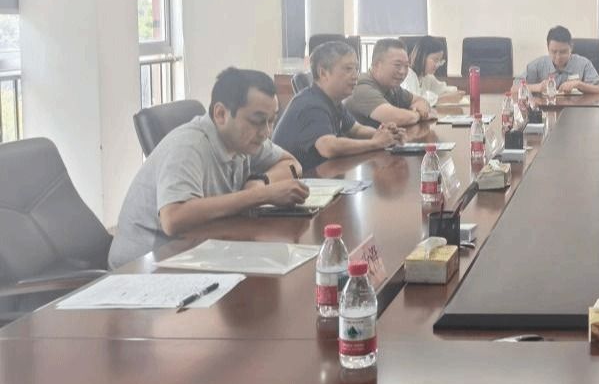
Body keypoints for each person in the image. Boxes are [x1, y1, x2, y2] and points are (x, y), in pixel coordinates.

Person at [109, 68, 309, 268]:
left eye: (272, 120)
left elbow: (292, 164)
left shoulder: (244, 141)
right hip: (144, 266)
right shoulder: (188, 146)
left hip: (196, 252)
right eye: (257, 121)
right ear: (221, 114)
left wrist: (260, 182)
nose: (266, 132)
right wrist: (260, 195)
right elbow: (173, 218)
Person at [273, 41, 405, 170]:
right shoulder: (311, 105)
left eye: (356, 69)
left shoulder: (332, 100)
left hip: (320, 175)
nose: (355, 76)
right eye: (348, 69)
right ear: (323, 73)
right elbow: (328, 147)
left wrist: (386, 134)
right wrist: (375, 143)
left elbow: (356, 130)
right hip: (297, 180)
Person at [346, 38, 434, 127]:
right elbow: (396, 118)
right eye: (397, 65)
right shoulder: (362, 87)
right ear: (377, 65)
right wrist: (418, 115)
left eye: (406, 66)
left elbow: (422, 101)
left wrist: (419, 110)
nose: (403, 71)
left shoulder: (392, 87)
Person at [518, 25, 599, 94]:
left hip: (575, 108)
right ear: (548, 48)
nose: (558, 57)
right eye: (554, 52)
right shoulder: (538, 64)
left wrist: (579, 84)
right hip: (546, 108)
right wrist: (537, 87)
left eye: (563, 52)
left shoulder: (583, 64)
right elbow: (514, 89)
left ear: (571, 47)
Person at [404, 36, 459, 101]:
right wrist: (442, 98)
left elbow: (442, 89)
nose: (438, 65)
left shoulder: (427, 76)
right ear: (422, 56)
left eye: (440, 60)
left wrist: (456, 92)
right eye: (435, 60)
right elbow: (415, 101)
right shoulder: (408, 75)